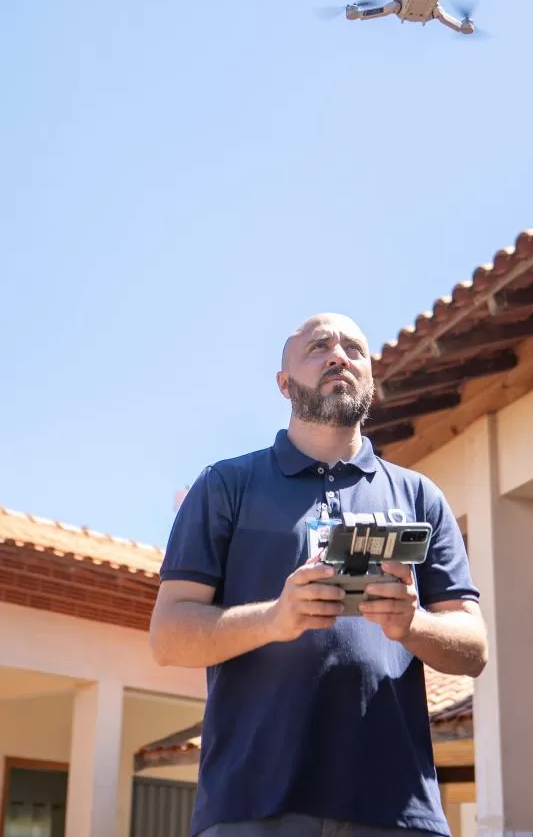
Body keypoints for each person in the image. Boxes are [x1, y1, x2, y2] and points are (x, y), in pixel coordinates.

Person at [150, 312, 488, 837]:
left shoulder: (421, 497)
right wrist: (275, 619)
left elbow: (473, 647)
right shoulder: (224, 486)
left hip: (398, 810)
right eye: (318, 347)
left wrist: (410, 623)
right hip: (251, 808)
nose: (338, 356)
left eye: (354, 349)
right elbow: (168, 637)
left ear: (370, 379)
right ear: (284, 383)